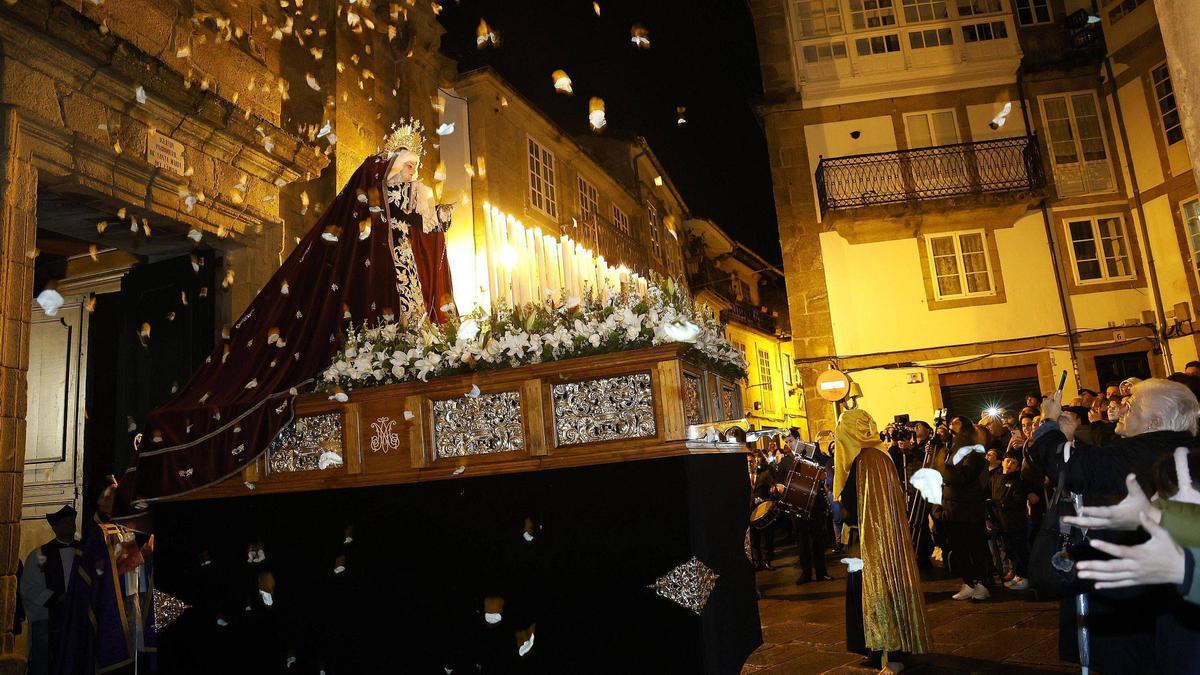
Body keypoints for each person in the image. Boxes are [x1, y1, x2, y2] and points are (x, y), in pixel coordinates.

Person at [1027, 378, 1200, 673]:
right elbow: (1100, 465)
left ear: (1155, 421)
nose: (1119, 410)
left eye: (1130, 406)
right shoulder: (1172, 448)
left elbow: (1074, 468)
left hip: (1134, 600)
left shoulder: (1148, 451)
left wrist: (1050, 424)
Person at [835, 409, 931, 673]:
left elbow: (856, 507)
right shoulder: (878, 455)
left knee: (879, 593)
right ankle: (874, 647)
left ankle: (892, 652)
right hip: (867, 540)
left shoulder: (867, 460)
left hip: (873, 544)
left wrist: (843, 508)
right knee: (863, 593)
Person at [56, 480, 156, 674]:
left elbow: (134, 560)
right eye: (110, 494)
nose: (117, 498)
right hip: (108, 602)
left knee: (136, 652)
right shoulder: (95, 534)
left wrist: (146, 553)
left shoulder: (126, 524)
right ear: (100, 501)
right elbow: (100, 569)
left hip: (133, 596)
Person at [20, 506, 80, 675]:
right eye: (65, 522)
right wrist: (56, 598)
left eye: (72, 521)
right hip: (49, 621)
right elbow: (28, 587)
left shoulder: (85, 552)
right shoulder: (40, 555)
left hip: (79, 618)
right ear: (55, 527)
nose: (70, 525)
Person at [941, 416, 991, 601]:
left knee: (974, 546)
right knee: (958, 547)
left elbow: (965, 476)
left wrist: (942, 469)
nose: (951, 426)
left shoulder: (974, 451)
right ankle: (968, 582)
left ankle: (982, 583)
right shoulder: (950, 450)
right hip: (952, 507)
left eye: (956, 423)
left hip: (968, 508)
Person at [991, 451, 1036, 590]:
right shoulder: (996, 477)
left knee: (1020, 549)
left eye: (1014, 463)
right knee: (1008, 549)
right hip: (1001, 521)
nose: (1009, 464)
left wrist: (1004, 502)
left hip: (1015, 521)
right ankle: (1017, 574)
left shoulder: (1018, 481)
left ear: (1017, 467)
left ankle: (1026, 577)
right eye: (1008, 461)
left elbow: (1019, 499)